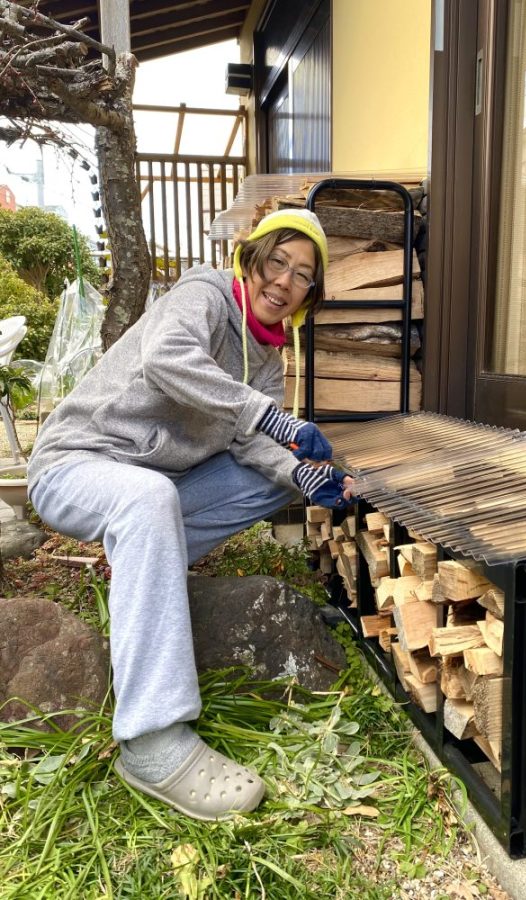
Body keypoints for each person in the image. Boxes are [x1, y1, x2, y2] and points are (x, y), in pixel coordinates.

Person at [27, 208, 353, 822]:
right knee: (148, 499)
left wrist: (303, 475)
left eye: (303, 275)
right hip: (78, 464)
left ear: (310, 294)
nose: (284, 281)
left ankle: (143, 567)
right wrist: (271, 417)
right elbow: (167, 359)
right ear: (251, 260)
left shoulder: (266, 361)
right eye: (277, 261)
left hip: (152, 483)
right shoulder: (204, 294)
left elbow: (251, 443)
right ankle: (151, 740)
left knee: (268, 479)